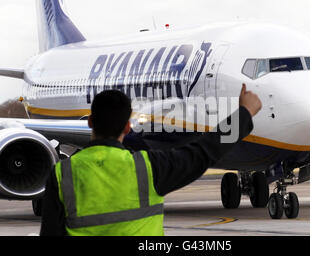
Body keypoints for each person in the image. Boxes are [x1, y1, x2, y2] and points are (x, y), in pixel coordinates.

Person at [40, 84, 262, 236]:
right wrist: (244, 113)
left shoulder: (62, 174)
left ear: (90, 122)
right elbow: (205, 150)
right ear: (128, 126)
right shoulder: (148, 167)